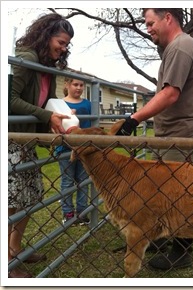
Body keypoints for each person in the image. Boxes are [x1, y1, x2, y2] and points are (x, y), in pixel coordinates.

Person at [116, 8, 193, 271]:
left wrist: (133, 119)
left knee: (180, 196)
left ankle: (181, 252)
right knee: (161, 194)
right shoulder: (176, 48)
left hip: (183, 136)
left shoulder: (180, 48)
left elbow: (170, 94)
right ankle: (158, 239)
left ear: (168, 18)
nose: (148, 29)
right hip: (172, 134)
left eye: (151, 23)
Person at [8, 13, 74, 278]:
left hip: (28, 141)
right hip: (12, 139)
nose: (64, 48)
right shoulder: (27, 59)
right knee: (11, 200)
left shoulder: (47, 67)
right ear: (46, 36)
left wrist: (58, 120)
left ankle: (14, 249)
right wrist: (47, 116)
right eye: (61, 41)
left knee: (28, 197)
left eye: (67, 44)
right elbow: (8, 99)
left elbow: (48, 102)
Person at [55, 77, 92, 226]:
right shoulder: (60, 104)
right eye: (75, 84)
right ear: (67, 85)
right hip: (64, 148)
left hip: (83, 148)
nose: (78, 87)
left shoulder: (88, 104)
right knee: (67, 181)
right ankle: (68, 213)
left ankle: (82, 213)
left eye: (81, 85)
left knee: (83, 181)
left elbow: (91, 123)